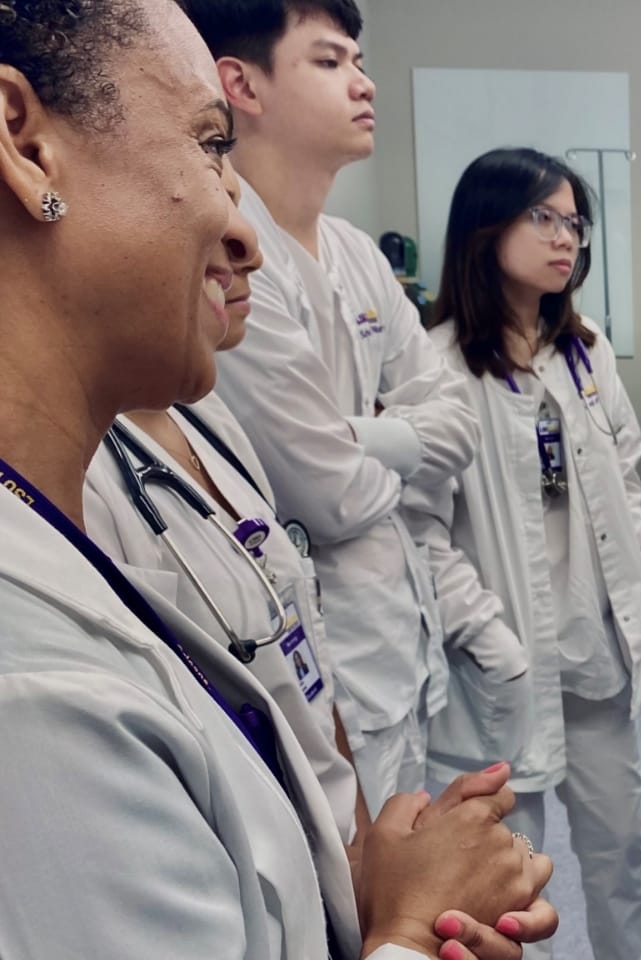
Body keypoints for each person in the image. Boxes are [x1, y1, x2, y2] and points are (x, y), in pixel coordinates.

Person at [0, 1, 555, 956]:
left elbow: (287, 656)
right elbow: (337, 493)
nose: (244, 234)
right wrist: (411, 933)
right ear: (26, 143)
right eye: (210, 142)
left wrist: (372, 882)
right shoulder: (35, 690)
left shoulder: (182, 424)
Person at [186, 0, 479, 808]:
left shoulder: (355, 251)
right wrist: (396, 454)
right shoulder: (233, 255)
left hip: (396, 641)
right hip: (312, 659)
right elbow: (334, 496)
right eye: (330, 61)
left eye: (358, 59)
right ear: (240, 83)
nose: (364, 82)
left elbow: (457, 420)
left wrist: (353, 439)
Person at [406, 147, 641, 960]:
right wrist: (492, 640)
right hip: (500, 672)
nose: (567, 240)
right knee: (512, 884)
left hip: (595, 654)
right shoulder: (437, 367)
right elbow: (420, 530)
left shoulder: (585, 351)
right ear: (486, 229)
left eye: (575, 224)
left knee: (622, 853)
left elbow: (624, 480)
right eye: (543, 218)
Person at [83, 158, 372, 846]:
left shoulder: (205, 417)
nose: (248, 244)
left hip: (330, 851)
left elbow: (302, 660)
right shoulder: (74, 487)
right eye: (207, 177)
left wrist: (369, 853)